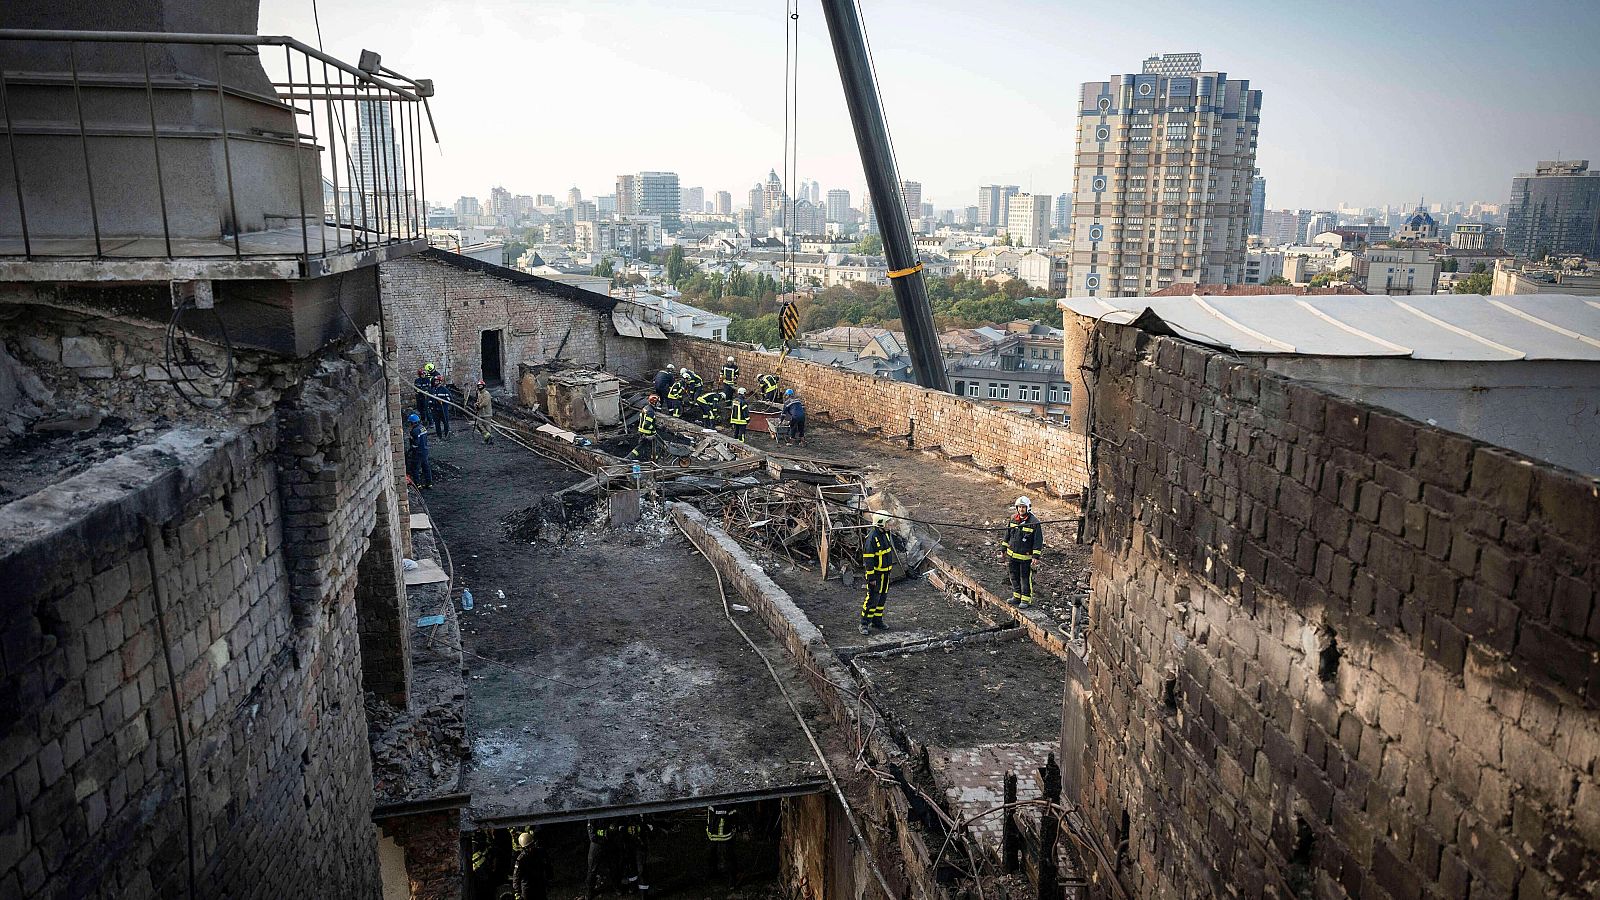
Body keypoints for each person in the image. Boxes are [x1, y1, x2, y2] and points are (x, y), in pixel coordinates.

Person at [1002, 496, 1044, 607]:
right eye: (1019, 507)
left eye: (1023, 507)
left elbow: (1038, 540)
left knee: (1025, 578)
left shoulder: (1034, 522)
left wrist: (1036, 556)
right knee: (1013, 576)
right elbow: (1007, 535)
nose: (1021, 509)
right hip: (1012, 555)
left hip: (1025, 557)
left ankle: (1025, 599)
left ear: (1028, 508)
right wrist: (1003, 548)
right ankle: (1017, 596)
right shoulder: (1013, 519)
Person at [860, 511, 896, 634]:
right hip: (876, 575)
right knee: (872, 599)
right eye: (888, 522)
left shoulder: (885, 534)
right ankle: (864, 623)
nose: (890, 524)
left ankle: (877, 621)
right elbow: (868, 560)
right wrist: (871, 578)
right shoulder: (871, 539)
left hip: (885, 574)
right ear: (881, 523)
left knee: (882, 598)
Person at [512, 830, 551, 900]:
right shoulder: (521, 859)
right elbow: (516, 876)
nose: (530, 849)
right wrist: (517, 891)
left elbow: (547, 865)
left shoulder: (540, 852)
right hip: (527, 889)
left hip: (540, 884)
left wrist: (549, 876)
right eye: (528, 847)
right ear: (523, 848)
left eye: (532, 845)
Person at [705, 805, 738, 883]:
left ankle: (731, 879)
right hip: (716, 834)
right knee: (715, 855)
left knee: (727, 856)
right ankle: (715, 875)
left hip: (721, 834)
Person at [405, 413, 432, 489]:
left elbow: (416, 443)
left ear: (412, 423)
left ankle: (418, 485)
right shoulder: (423, 428)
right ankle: (429, 483)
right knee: (426, 467)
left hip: (418, 452)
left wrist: (410, 449)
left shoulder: (414, 431)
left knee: (415, 468)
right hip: (425, 450)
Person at [630, 395, 660, 460]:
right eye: (657, 402)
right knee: (655, 446)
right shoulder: (650, 412)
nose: (658, 404)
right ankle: (654, 461)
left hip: (642, 432)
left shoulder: (645, 408)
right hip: (647, 433)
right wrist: (654, 429)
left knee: (641, 446)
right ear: (654, 402)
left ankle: (629, 458)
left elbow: (639, 420)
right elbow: (647, 424)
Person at [428, 374, 451, 439]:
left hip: (443, 409)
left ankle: (447, 435)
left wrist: (442, 401)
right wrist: (430, 406)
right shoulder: (433, 390)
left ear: (440, 381)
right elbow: (430, 399)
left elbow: (449, 399)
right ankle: (439, 436)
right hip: (435, 410)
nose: (435, 382)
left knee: (445, 423)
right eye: (435, 381)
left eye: (437, 381)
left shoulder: (444, 390)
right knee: (437, 424)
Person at [472, 379, 494, 443]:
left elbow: (485, 403)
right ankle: (488, 436)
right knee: (479, 425)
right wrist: (476, 404)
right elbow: (479, 401)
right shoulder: (479, 394)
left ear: (484, 386)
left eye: (481, 386)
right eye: (479, 386)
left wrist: (479, 406)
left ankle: (488, 439)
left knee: (487, 426)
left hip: (487, 413)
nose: (480, 387)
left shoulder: (486, 394)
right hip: (480, 413)